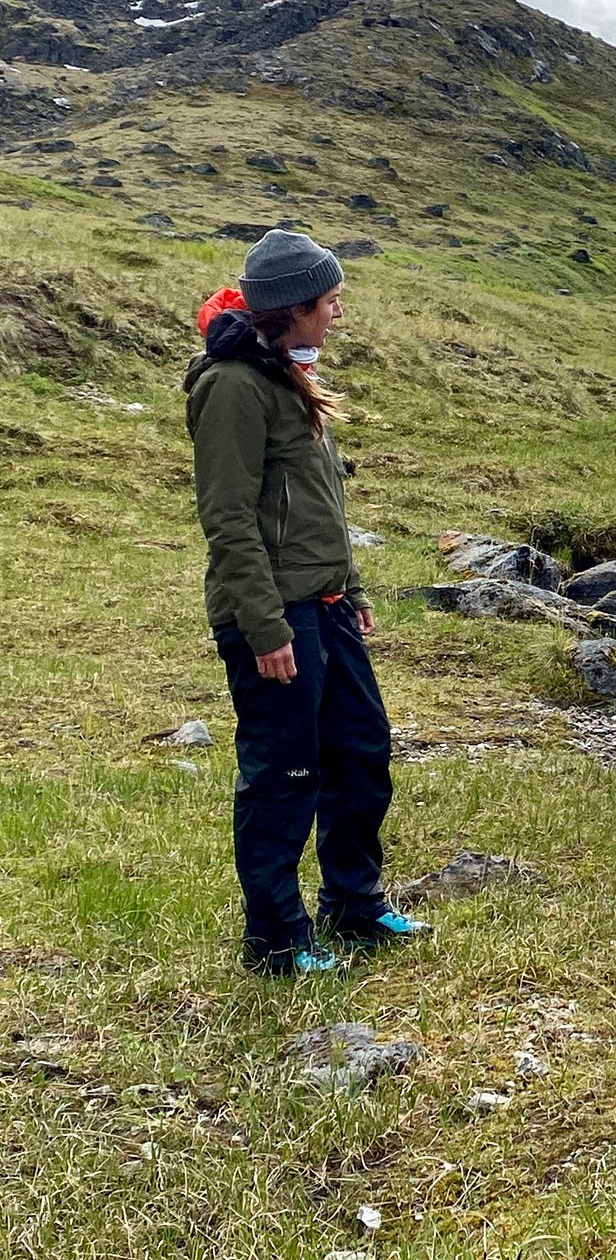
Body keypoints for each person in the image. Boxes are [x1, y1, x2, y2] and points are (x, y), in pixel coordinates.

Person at [184, 231, 426, 975]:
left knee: (360, 751)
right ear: (292, 309)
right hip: (273, 616)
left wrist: (349, 590)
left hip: (322, 606)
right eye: (328, 302)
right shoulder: (232, 386)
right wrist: (264, 626)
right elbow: (228, 518)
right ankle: (278, 942)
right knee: (283, 773)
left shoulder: (287, 372)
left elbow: (317, 501)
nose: (337, 315)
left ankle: (354, 907)